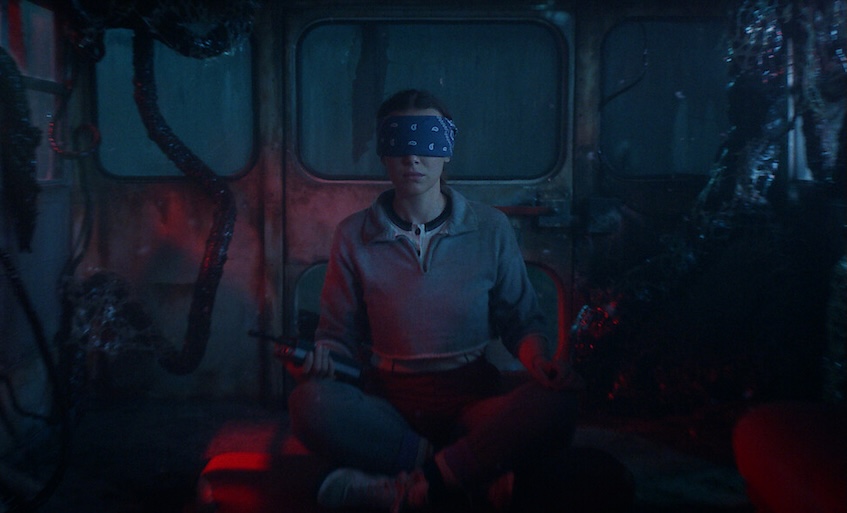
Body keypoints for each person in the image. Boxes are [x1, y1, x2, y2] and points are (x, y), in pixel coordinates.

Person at [286, 89, 583, 512]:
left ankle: (414, 486)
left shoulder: (490, 228)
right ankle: (463, 473)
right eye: (399, 142)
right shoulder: (353, 235)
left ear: (447, 151)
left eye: (427, 140)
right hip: (388, 406)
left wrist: (539, 362)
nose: (413, 157)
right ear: (383, 154)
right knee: (309, 405)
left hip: (473, 401)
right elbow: (337, 334)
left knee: (558, 401)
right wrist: (318, 363)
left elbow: (522, 321)